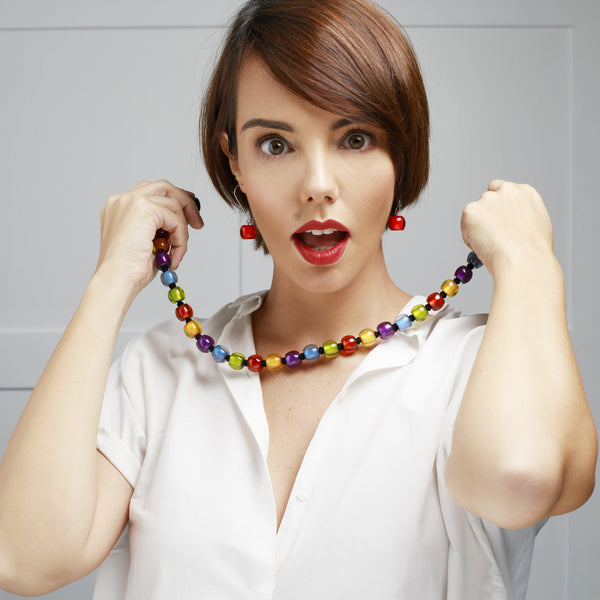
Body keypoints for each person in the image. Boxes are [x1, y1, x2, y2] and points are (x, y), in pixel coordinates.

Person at [0, 0, 596, 598]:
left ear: (401, 153)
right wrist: (110, 281)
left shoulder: (479, 366)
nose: (317, 186)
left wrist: (530, 263)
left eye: (355, 138)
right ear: (234, 161)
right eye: (275, 145)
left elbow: (517, 482)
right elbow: (21, 558)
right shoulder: (164, 370)